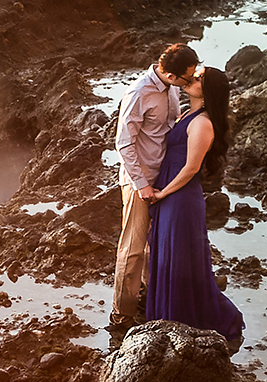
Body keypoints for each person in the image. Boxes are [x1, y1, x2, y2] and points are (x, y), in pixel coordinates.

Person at [145, 65, 244, 342]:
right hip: (171, 192)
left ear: (208, 90)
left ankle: (190, 319)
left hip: (181, 198)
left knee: (179, 261)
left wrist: (164, 193)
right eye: (195, 74)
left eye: (199, 79)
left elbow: (191, 169)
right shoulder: (187, 114)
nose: (192, 79)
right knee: (166, 257)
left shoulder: (202, 122)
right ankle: (166, 319)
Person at [110, 44, 199, 341]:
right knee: (133, 248)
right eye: (185, 79)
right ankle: (121, 316)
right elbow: (123, 144)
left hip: (164, 178)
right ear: (170, 74)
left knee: (154, 245)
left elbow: (166, 127)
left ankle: (148, 300)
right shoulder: (138, 93)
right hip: (140, 179)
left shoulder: (171, 88)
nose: (188, 83)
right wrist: (141, 184)